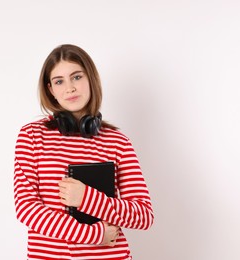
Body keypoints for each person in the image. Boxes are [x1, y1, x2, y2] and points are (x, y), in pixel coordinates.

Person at [13, 44, 154, 260]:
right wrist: (94, 234)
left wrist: (87, 198)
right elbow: (26, 208)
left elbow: (143, 216)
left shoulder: (118, 142)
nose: (69, 88)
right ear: (51, 89)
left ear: (90, 79)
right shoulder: (32, 136)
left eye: (76, 77)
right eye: (59, 81)